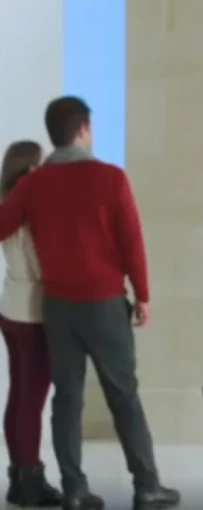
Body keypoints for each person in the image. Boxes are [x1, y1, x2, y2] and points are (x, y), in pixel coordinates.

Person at [0, 97, 180, 510]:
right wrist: (143, 295)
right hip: (104, 306)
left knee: (66, 398)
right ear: (83, 130)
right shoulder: (110, 177)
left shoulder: (33, 184)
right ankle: (147, 486)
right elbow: (131, 241)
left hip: (57, 308)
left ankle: (75, 491)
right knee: (124, 396)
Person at [0, 140, 62, 507]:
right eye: (40, 163)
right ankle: (30, 479)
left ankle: (18, 476)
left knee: (19, 395)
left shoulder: (6, 204)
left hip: (11, 308)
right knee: (32, 401)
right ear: (28, 169)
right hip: (33, 313)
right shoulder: (26, 208)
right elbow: (42, 266)